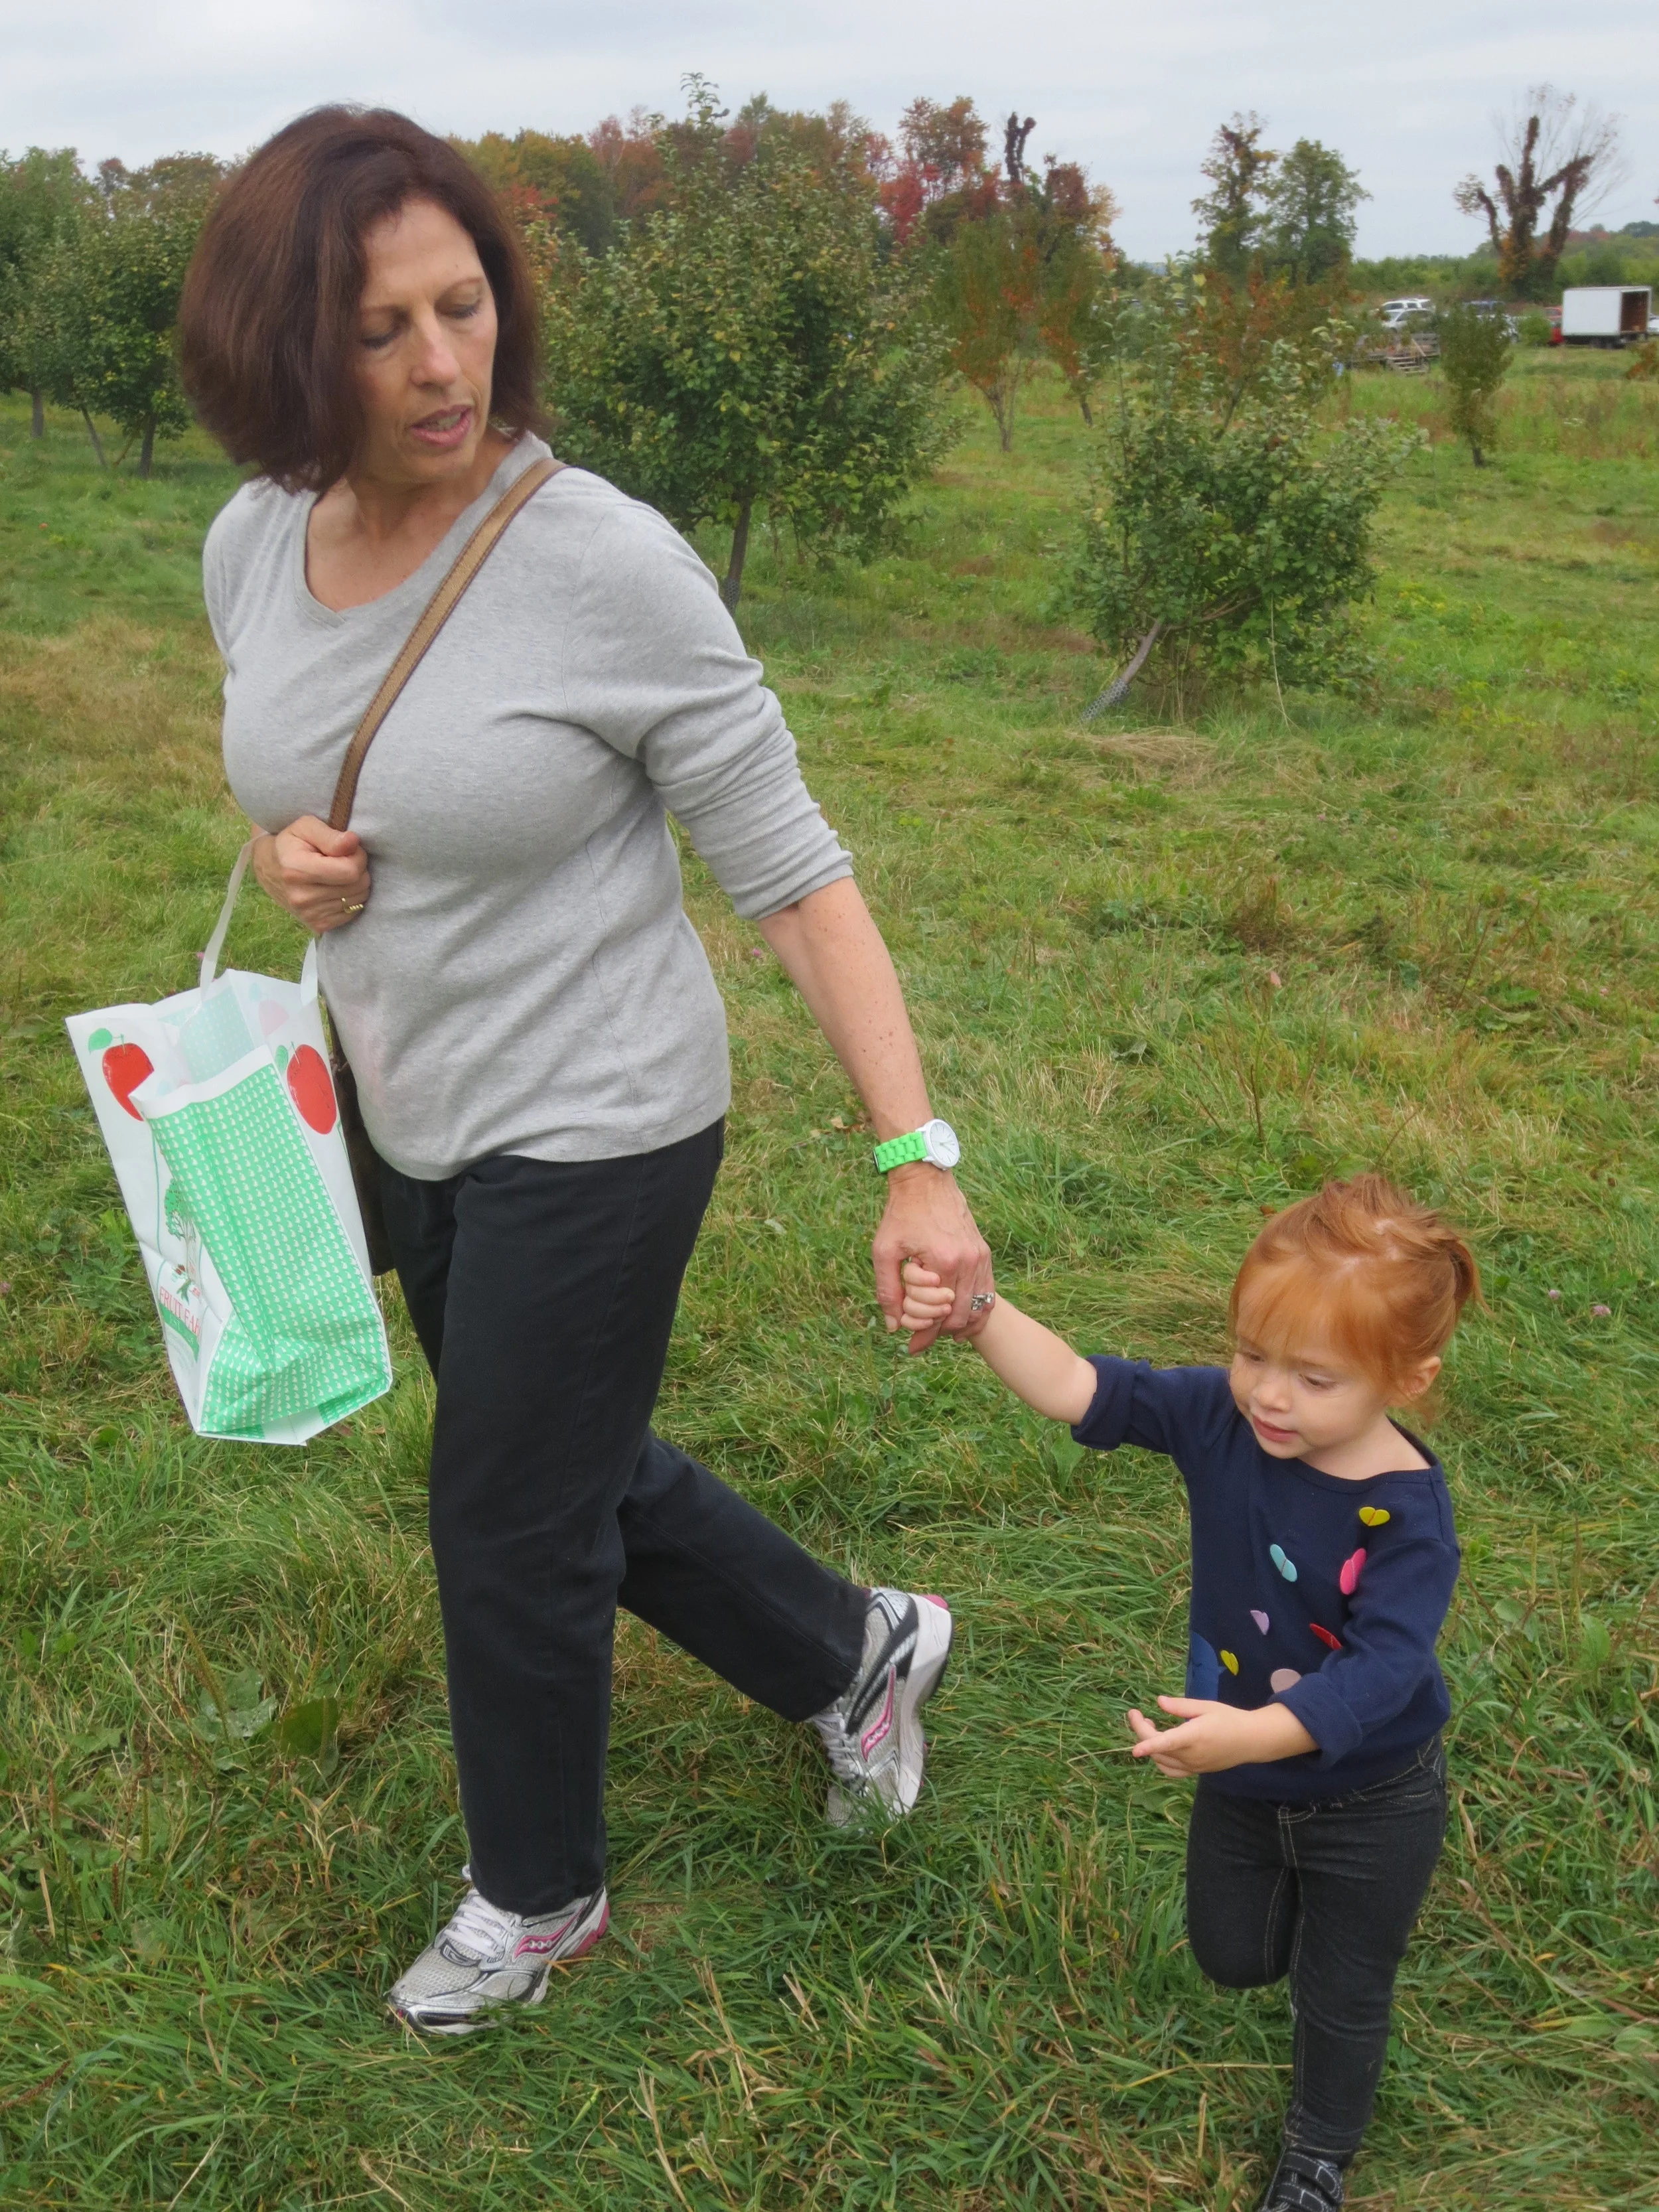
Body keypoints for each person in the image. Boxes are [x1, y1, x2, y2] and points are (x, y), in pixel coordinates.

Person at [177, 106, 992, 2037]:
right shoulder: (253, 541)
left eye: (460, 307)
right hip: (397, 1095)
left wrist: (915, 1150)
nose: (439, 362)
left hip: (602, 1113)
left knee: (504, 1514)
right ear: (287, 347)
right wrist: (293, 851)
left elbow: (793, 874)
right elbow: (300, 761)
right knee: (561, 1463)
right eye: (378, 329)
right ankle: (853, 1645)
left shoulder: (604, 563)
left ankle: (535, 1893)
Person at [901, 1176, 1479, 2212]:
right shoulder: (1222, 1421)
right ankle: (1316, 1931)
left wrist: (1259, 1734)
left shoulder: (1407, 1515)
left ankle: (1317, 2159)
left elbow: (1388, 1668)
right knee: (1232, 1955)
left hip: (1374, 1796)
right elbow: (1082, 1386)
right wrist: (975, 1314)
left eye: (1314, 1377)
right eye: (1253, 1355)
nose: (1269, 1395)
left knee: (1341, 1994)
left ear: (1408, 1376)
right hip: (1240, 1774)